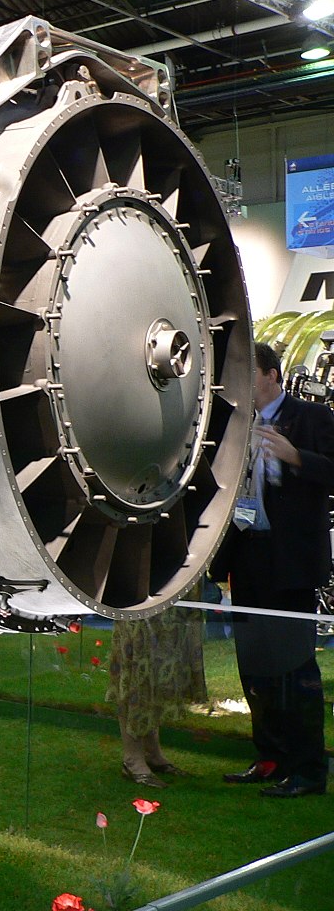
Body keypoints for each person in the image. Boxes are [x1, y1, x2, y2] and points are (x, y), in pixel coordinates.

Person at [212, 341, 334, 798]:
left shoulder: (312, 418)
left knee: (295, 670)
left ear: (271, 374)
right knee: (255, 667)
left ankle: (307, 770)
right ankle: (269, 757)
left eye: (249, 371)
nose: (241, 381)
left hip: (292, 565)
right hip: (248, 559)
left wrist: (295, 456)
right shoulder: (234, 421)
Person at [107, 605, 207, 788]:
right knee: (138, 670)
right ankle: (132, 759)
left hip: (176, 593)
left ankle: (153, 754)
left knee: (162, 669)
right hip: (141, 596)